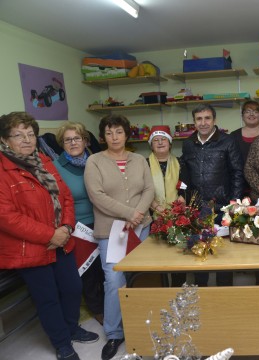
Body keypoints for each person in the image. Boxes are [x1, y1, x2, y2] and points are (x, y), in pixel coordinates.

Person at [0, 112, 98, 360]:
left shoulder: (43, 160)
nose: (27, 139)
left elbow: (65, 195)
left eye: (31, 134)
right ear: (4, 139)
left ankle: (72, 327)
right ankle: (62, 342)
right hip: (31, 248)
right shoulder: (3, 170)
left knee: (73, 288)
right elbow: (7, 217)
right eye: (18, 135)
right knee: (48, 298)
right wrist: (49, 235)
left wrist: (65, 228)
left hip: (62, 240)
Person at [84, 114, 154, 360]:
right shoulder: (94, 161)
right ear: (103, 137)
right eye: (109, 132)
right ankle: (114, 333)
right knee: (114, 280)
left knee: (144, 277)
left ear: (127, 134)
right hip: (111, 230)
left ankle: (147, 325)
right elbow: (97, 195)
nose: (115, 137)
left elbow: (149, 189)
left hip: (141, 227)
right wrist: (129, 213)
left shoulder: (138, 159)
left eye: (119, 132)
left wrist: (138, 215)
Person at [181, 104, 243, 287]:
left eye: (207, 118)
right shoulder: (188, 143)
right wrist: (184, 199)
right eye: (199, 119)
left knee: (223, 254)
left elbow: (237, 172)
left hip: (222, 206)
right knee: (200, 251)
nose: (203, 123)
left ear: (214, 120)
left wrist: (234, 203)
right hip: (198, 207)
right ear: (194, 122)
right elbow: (185, 173)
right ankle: (202, 293)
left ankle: (225, 293)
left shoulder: (227, 141)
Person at [54, 121, 105, 326]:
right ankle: (97, 308)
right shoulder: (55, 168)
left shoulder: (98, 161)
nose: (73, 143)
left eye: (77, 138)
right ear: (62, 144)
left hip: (104, 220)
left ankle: (114, 303)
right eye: (68, 140)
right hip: (78, 227)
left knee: (107, 269)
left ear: (85, 140)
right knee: (89, 272)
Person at [147, 125, 186, 287]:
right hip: (152, 217)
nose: (160, 142)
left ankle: (178, 288)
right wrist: (156, 207)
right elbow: (141, 189)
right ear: (151, 145)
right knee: (157, 257)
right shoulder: (143, 164)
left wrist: (181, 201)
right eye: (156, 140)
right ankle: (161, 288)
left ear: (170, 143)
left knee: (178, 255)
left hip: (177, 216)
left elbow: (185, 185)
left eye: (164, 139)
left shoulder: (181, 163)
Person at [230, 100, 259, 196]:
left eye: (255, 111)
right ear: (242, 116)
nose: (251, 114)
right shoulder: (233, 136)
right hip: (240, 186)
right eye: (247, 111)